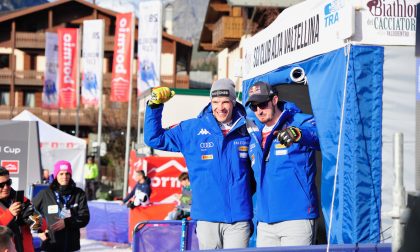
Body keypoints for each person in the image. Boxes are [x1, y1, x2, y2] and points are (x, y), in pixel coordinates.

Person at [144, 79, 253, 250]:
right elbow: (154, 138)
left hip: (239, 217)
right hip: (207, 217)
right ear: (210, 102)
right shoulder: (192, 129)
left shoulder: (248, 127)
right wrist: (154, 106)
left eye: (225, 102)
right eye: (215, 102)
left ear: (233, 102)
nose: (220, 107)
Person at [245, 81, 320, 247]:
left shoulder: (298, 121)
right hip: (265, 222)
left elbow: (321, 137)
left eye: (262, 104)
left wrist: (299, 134)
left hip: (297, 218)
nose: (258, 110)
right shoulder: (253, 132)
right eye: (253, 107)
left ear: (274, 100)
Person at [33, 160, 90, 252]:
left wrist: (67, 222)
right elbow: (30, 211)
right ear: (56, 175)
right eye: (61, 174)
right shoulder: (45, 194)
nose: (65, 177)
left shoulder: (79, 193)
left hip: (72, 247)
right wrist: (39, 231)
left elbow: (85, 217)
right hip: (50, 246)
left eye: (67, 173)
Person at [0, 167, 40, 252]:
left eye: (8, 182)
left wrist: (34, 218)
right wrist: (9, 214)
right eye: (1, 185)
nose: (6, 187)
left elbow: (41, 225)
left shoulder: (22, 199)